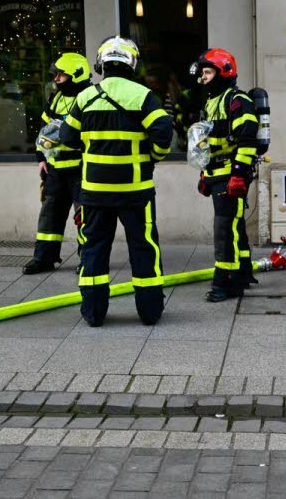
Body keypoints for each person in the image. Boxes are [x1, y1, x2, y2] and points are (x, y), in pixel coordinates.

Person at [59, 36, 173, 327]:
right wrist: (151, 158)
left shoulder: (84, 97)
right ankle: (149, 312)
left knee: (94, 249)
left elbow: (66, 138)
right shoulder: (143, 95)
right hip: (136, 190)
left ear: (101, 63)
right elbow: (163, 132)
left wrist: (91, 147)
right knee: (144, 247)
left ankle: (93, 313)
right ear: (132, 63)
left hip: (95, 191)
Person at [193, 48, 259, 303]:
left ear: (224, 73)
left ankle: (225, 282)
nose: (204, 78)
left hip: (232, 173)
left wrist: (239, 175)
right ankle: (243, 272)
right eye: (203, 73)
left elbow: (247, 140)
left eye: (208, 72)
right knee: (234, 225)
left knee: (224, 228)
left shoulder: (238, 101)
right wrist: (204, 174)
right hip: (217, 173)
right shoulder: (211, 101)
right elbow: (208, 143)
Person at [22, 53, 90, 275]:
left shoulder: (89, 98)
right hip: (56, 169)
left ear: (77, 75)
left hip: (81, 169)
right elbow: (43, 130)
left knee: (85, 217)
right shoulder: (56, 99)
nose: (58, 79)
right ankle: (44, 258)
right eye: (57, 74)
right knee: (49, 215)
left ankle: (88, 260)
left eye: (62, 75)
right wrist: (41, 158)